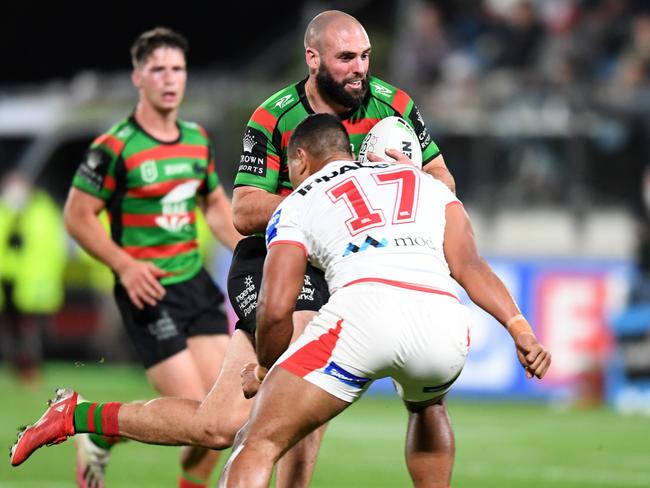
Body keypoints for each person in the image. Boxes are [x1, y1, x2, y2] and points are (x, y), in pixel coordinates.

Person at [10, 10, 455, 487]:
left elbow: (442, 182)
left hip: (350, 264)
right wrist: (332, 197)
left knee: (217, 425)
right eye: (346, 57)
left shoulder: (395, 108)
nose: (360, 68)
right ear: (312, 58)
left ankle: (81, 416)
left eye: (365, 56)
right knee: (304, 386)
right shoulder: (273, 115)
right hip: (277, 261)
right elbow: (243, 211)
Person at [219, 113, 552, 487]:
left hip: (364, 316)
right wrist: (518, 326)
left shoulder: (296, 202)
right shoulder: (427, 183)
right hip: (443, 324)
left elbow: (276, 307)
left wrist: (265, 370)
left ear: (299, 159)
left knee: (257, 441)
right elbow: (470, 265)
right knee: (428, 404)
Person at [62, 27, 241, 488]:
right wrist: (123, 264)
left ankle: (101, 438)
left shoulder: (196, 140)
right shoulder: (115, 147)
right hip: (148, 292)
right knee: (198, 419)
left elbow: (216, 206)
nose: (169, 79)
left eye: (177, 69)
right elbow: (78, 216)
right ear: (137, 77)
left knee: (224, 419)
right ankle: (93, 424)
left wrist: (248, 250)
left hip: (196, 286)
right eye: (157, 69)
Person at [0, 170, 66, 385]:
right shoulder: (6, 211)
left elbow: (47, 248)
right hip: (8, 279)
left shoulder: (42, 212)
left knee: (30, 329)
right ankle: (15, 366)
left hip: (32, 282)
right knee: (11, 328)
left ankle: (31, 368)